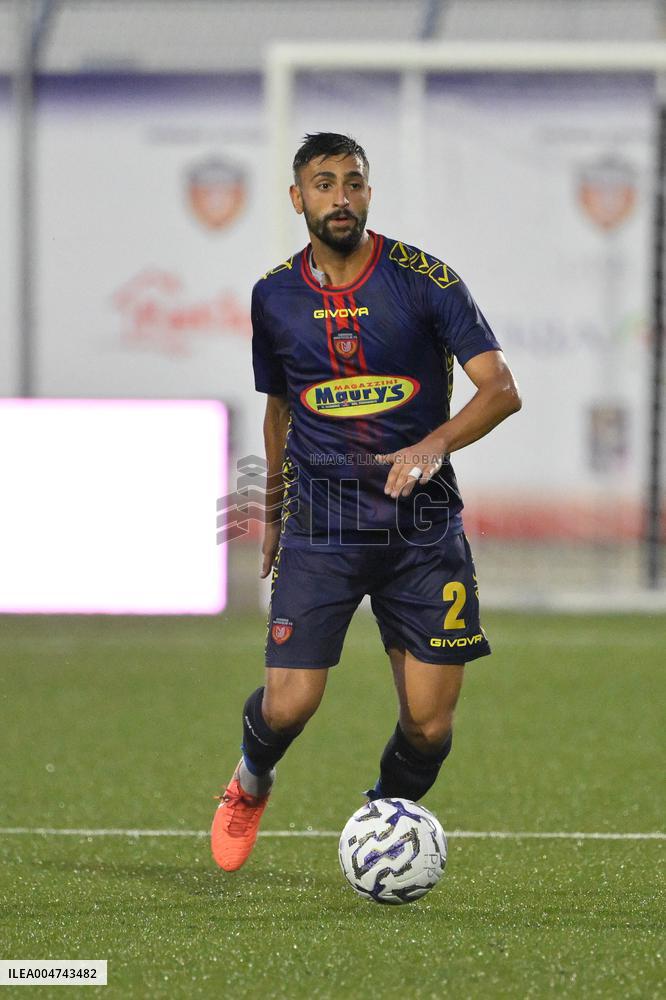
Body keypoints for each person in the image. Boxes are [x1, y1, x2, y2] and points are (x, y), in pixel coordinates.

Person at [211, 132, 521, 871]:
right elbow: (280, 410)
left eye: (353, 182)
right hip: (323, 525)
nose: (340, 196)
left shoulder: (425, 280)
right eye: (324, 184)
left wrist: (432, 446)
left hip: (422, 528)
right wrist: (275, 513)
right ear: (298, 199)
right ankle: (251, 782)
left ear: (368, 194)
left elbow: (501, 389)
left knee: (429, 726)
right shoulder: (273, 296)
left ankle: (381, 824)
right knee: (288, 705)